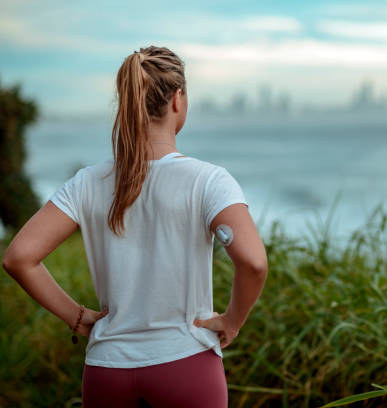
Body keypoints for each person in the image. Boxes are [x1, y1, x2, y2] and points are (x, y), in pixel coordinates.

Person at [2, 45, 268, 407]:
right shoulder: (209, 181)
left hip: (107, 371)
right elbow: (253, 262)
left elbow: (19, 257)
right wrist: (232, 320)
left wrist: (77, 317)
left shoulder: (87, 182)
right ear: (178, 100)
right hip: (186, 365)